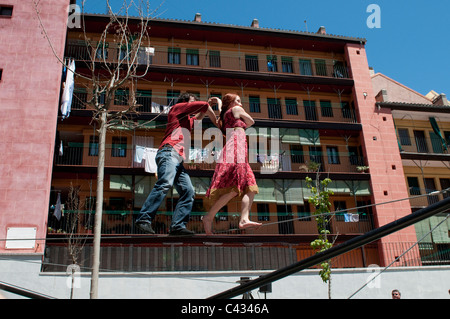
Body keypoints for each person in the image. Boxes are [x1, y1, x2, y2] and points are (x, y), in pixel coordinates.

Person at [135, 93, 218, 236]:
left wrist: (207, 106)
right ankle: (143, 219)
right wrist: (213, 113)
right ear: (186, 102)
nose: (195, 103)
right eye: (193, 101)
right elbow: (203, 106)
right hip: (168, 152)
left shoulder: (187, 119)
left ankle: (177, 226)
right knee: (165, 183)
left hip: (178, 160)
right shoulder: (176, 108)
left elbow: (199, 116)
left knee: (189, 191)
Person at [203, 94, 261, 235]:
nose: (240, 104)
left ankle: (243, 218)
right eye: (238, 100)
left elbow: (220, 113)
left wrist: (217, 102)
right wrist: (221, 103)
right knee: (238, 186)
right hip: (237, 147)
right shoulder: (236, 110)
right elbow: (251, 121)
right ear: (232, 103)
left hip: (236, 148)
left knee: (250, 187)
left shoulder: (223, 119)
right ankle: (209, 217)